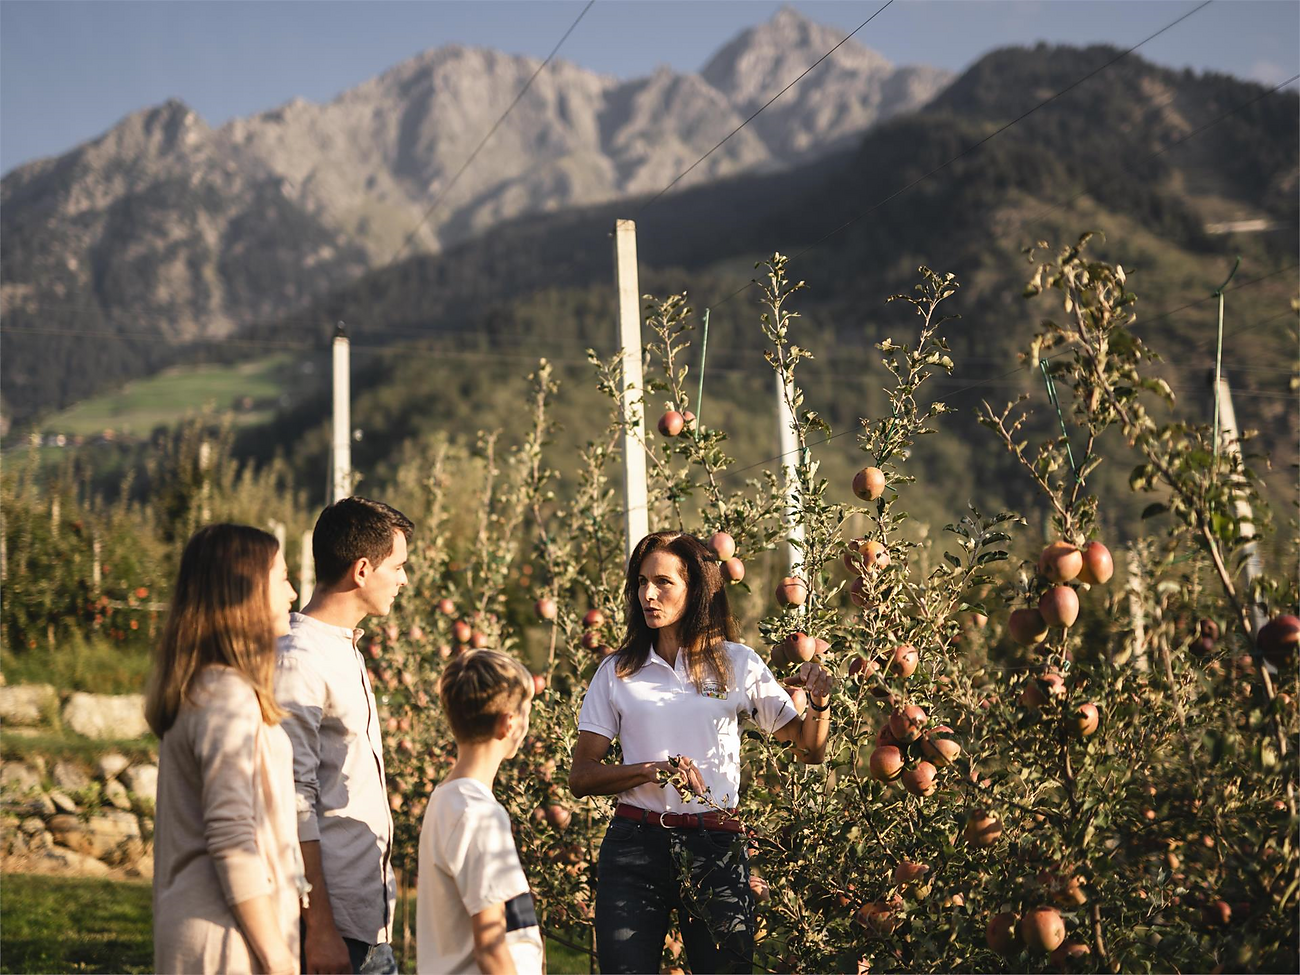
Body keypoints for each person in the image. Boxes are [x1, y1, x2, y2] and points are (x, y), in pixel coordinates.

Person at [570, 531, 834, 974]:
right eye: (641, 582)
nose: (647, 594)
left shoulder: (738, 663)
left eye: (663, 582)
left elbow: (809, 750)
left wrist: (821, 703)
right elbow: (581, 777)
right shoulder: (618, 670)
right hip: (635, 845)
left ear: (696, 590)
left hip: (715, 847)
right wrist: (650, 771)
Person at [148, 523, 305, 975]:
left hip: (222, 929)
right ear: (245, 591)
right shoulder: (224, 694)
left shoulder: (208, 687)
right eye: (282, 579)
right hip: (228, 939)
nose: (293, 594)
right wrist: (277, 957)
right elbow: (231, 835)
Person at [276, 497, 413, 974]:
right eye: (398, 566)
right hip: (329, 925)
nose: (403, 580)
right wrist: (319, 928)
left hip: (366, 920)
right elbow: (293, 800)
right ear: (362, 570)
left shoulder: (344, 649)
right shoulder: (300, 661)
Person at [417, 649, 544, 975]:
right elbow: (490, 948)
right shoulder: (480, 815)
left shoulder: (446, 800)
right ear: (509, 723)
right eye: (527, 712)